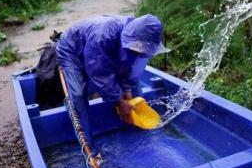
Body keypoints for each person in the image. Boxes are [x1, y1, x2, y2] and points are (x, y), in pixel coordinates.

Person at [56, 14, 169, 147]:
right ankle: (88, 145)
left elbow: (133, 70)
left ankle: (139, 129)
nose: (140, 52)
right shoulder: (102, 37)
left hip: (101, 49)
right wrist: (119, 100)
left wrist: (127, 91)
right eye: (138, 48)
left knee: (135, 87)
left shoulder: (141, 40)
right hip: (72, 51)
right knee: (79, 94)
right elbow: (99, 72)